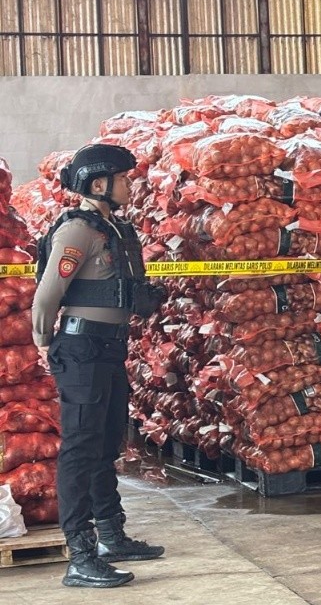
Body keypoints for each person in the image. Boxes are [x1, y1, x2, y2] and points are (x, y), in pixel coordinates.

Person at [32, 144, 166, 588]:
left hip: (107, 348)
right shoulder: (78, 231)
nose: (131, 184)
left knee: (107, 442)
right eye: (124, 178)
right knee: (81, 448)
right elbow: (48, 294)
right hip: (81, 349)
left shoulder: (112, 228)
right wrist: (43, 341)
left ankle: (111, 535)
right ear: (98, 184)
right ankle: (81, 556)